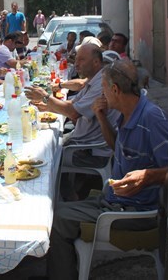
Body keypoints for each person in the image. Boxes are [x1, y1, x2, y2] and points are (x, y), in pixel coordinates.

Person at [47, 59, 168, 280]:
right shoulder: (127, 111)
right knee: (55, 208)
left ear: (115, 89)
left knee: (55, 221)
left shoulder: (151, 118)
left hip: (135, 212)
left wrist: (148, 177)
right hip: (113, 199)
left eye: (103, 90)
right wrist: (101, 116)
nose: (101, 96)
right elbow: (118, 147)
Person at [25, 43, 120, 200]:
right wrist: (46, 107)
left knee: (45, 157)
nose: (76, 64)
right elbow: (73, 106)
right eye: (76, 59)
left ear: (96, 62)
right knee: (47, 141)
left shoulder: (101, 83)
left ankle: (58, 201)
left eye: (81, 60)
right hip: (83, 141)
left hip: (89, 150)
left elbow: (73, 113)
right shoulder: (94, 79)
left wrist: (45, 96)